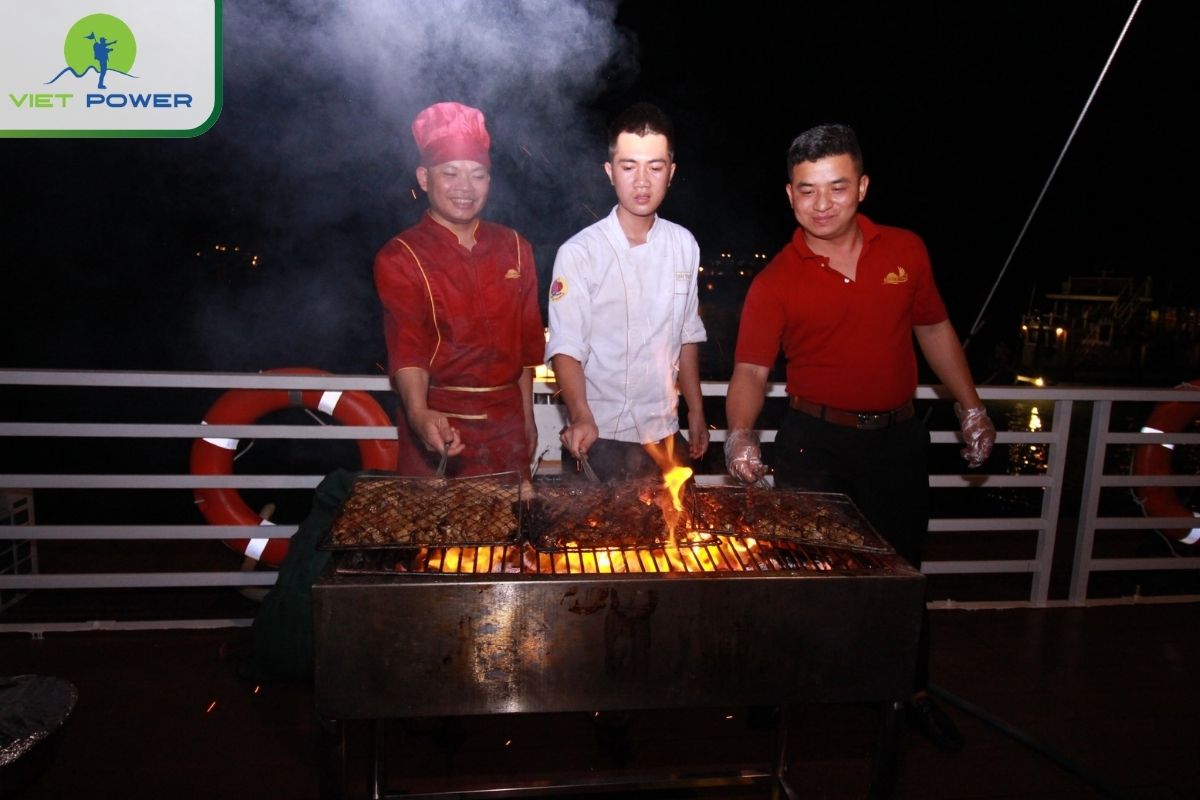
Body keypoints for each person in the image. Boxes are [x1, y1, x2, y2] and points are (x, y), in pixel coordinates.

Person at [724, 123, 996, 752]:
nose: (823, 204)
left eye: (837, 187)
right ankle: (781, 687)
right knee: (799, 573)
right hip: (811, 444)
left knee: (904, 577)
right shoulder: (774, 282)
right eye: (808, 191)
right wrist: (740, 433)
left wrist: (972, 407)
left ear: (863, 187)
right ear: (790, 197)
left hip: (898, 443)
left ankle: (911, 692)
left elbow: (933, 330)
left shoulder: (907, 250)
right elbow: (750, 371)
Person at [374, 101, 545, 480]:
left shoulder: (516, 247)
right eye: (450, 173)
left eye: (478, 175)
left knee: (510, 534)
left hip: (507, 429)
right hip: (438, 425)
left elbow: (525, 349)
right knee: (435, 537)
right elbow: (409, 346)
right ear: (424, 177)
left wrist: (528, 421)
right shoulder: (400, 256)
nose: (465, 188)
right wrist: (419, 415)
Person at [546, 102, 708, 482]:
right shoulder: (579, 252)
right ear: (610, 172)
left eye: (654, 167)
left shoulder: (684, 245)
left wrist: (697, 412)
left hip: (665, 433)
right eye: (628, 166)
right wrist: (580, 413)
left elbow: (687, 335)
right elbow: (566, 346)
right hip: (600, 436)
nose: (641, 181)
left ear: (671, 173)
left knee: (677, 538)